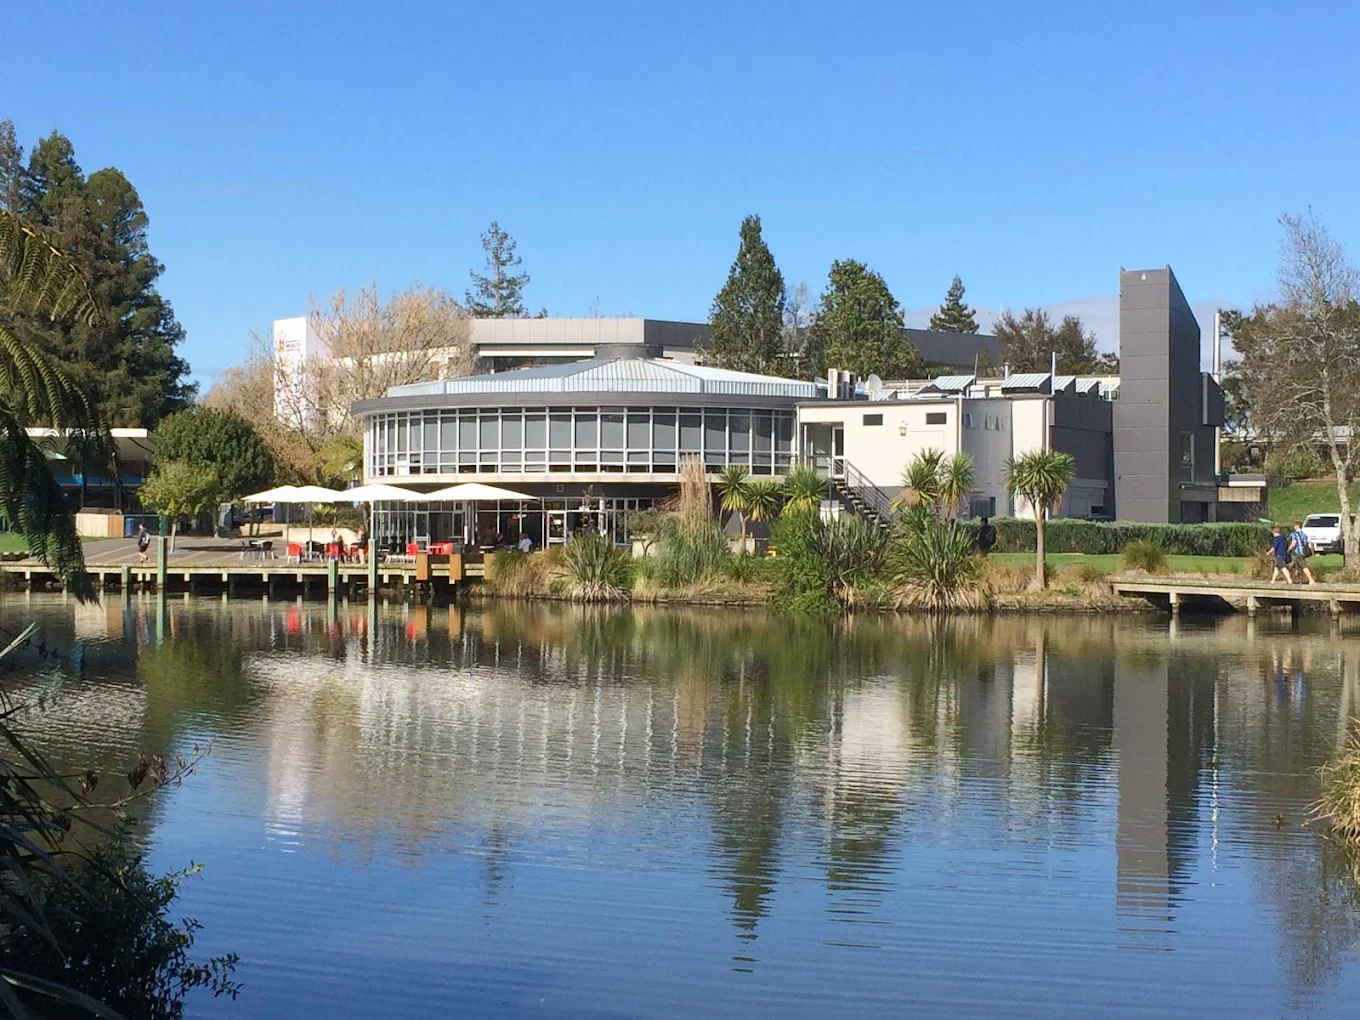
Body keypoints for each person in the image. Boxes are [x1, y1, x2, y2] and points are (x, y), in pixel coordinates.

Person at [1288, 520, 1316, 585]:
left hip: (1298, 553)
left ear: (1296, 526)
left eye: (1294, 526)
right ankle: (1293, 580)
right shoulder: (1304, 534)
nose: (1294, 527)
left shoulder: (1294, 534)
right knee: (1296, 568)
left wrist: (1288, 549)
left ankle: (1311, 580)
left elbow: (1293, 544)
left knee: (1304, 566)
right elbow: (1308, 543)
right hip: (1303, 552)